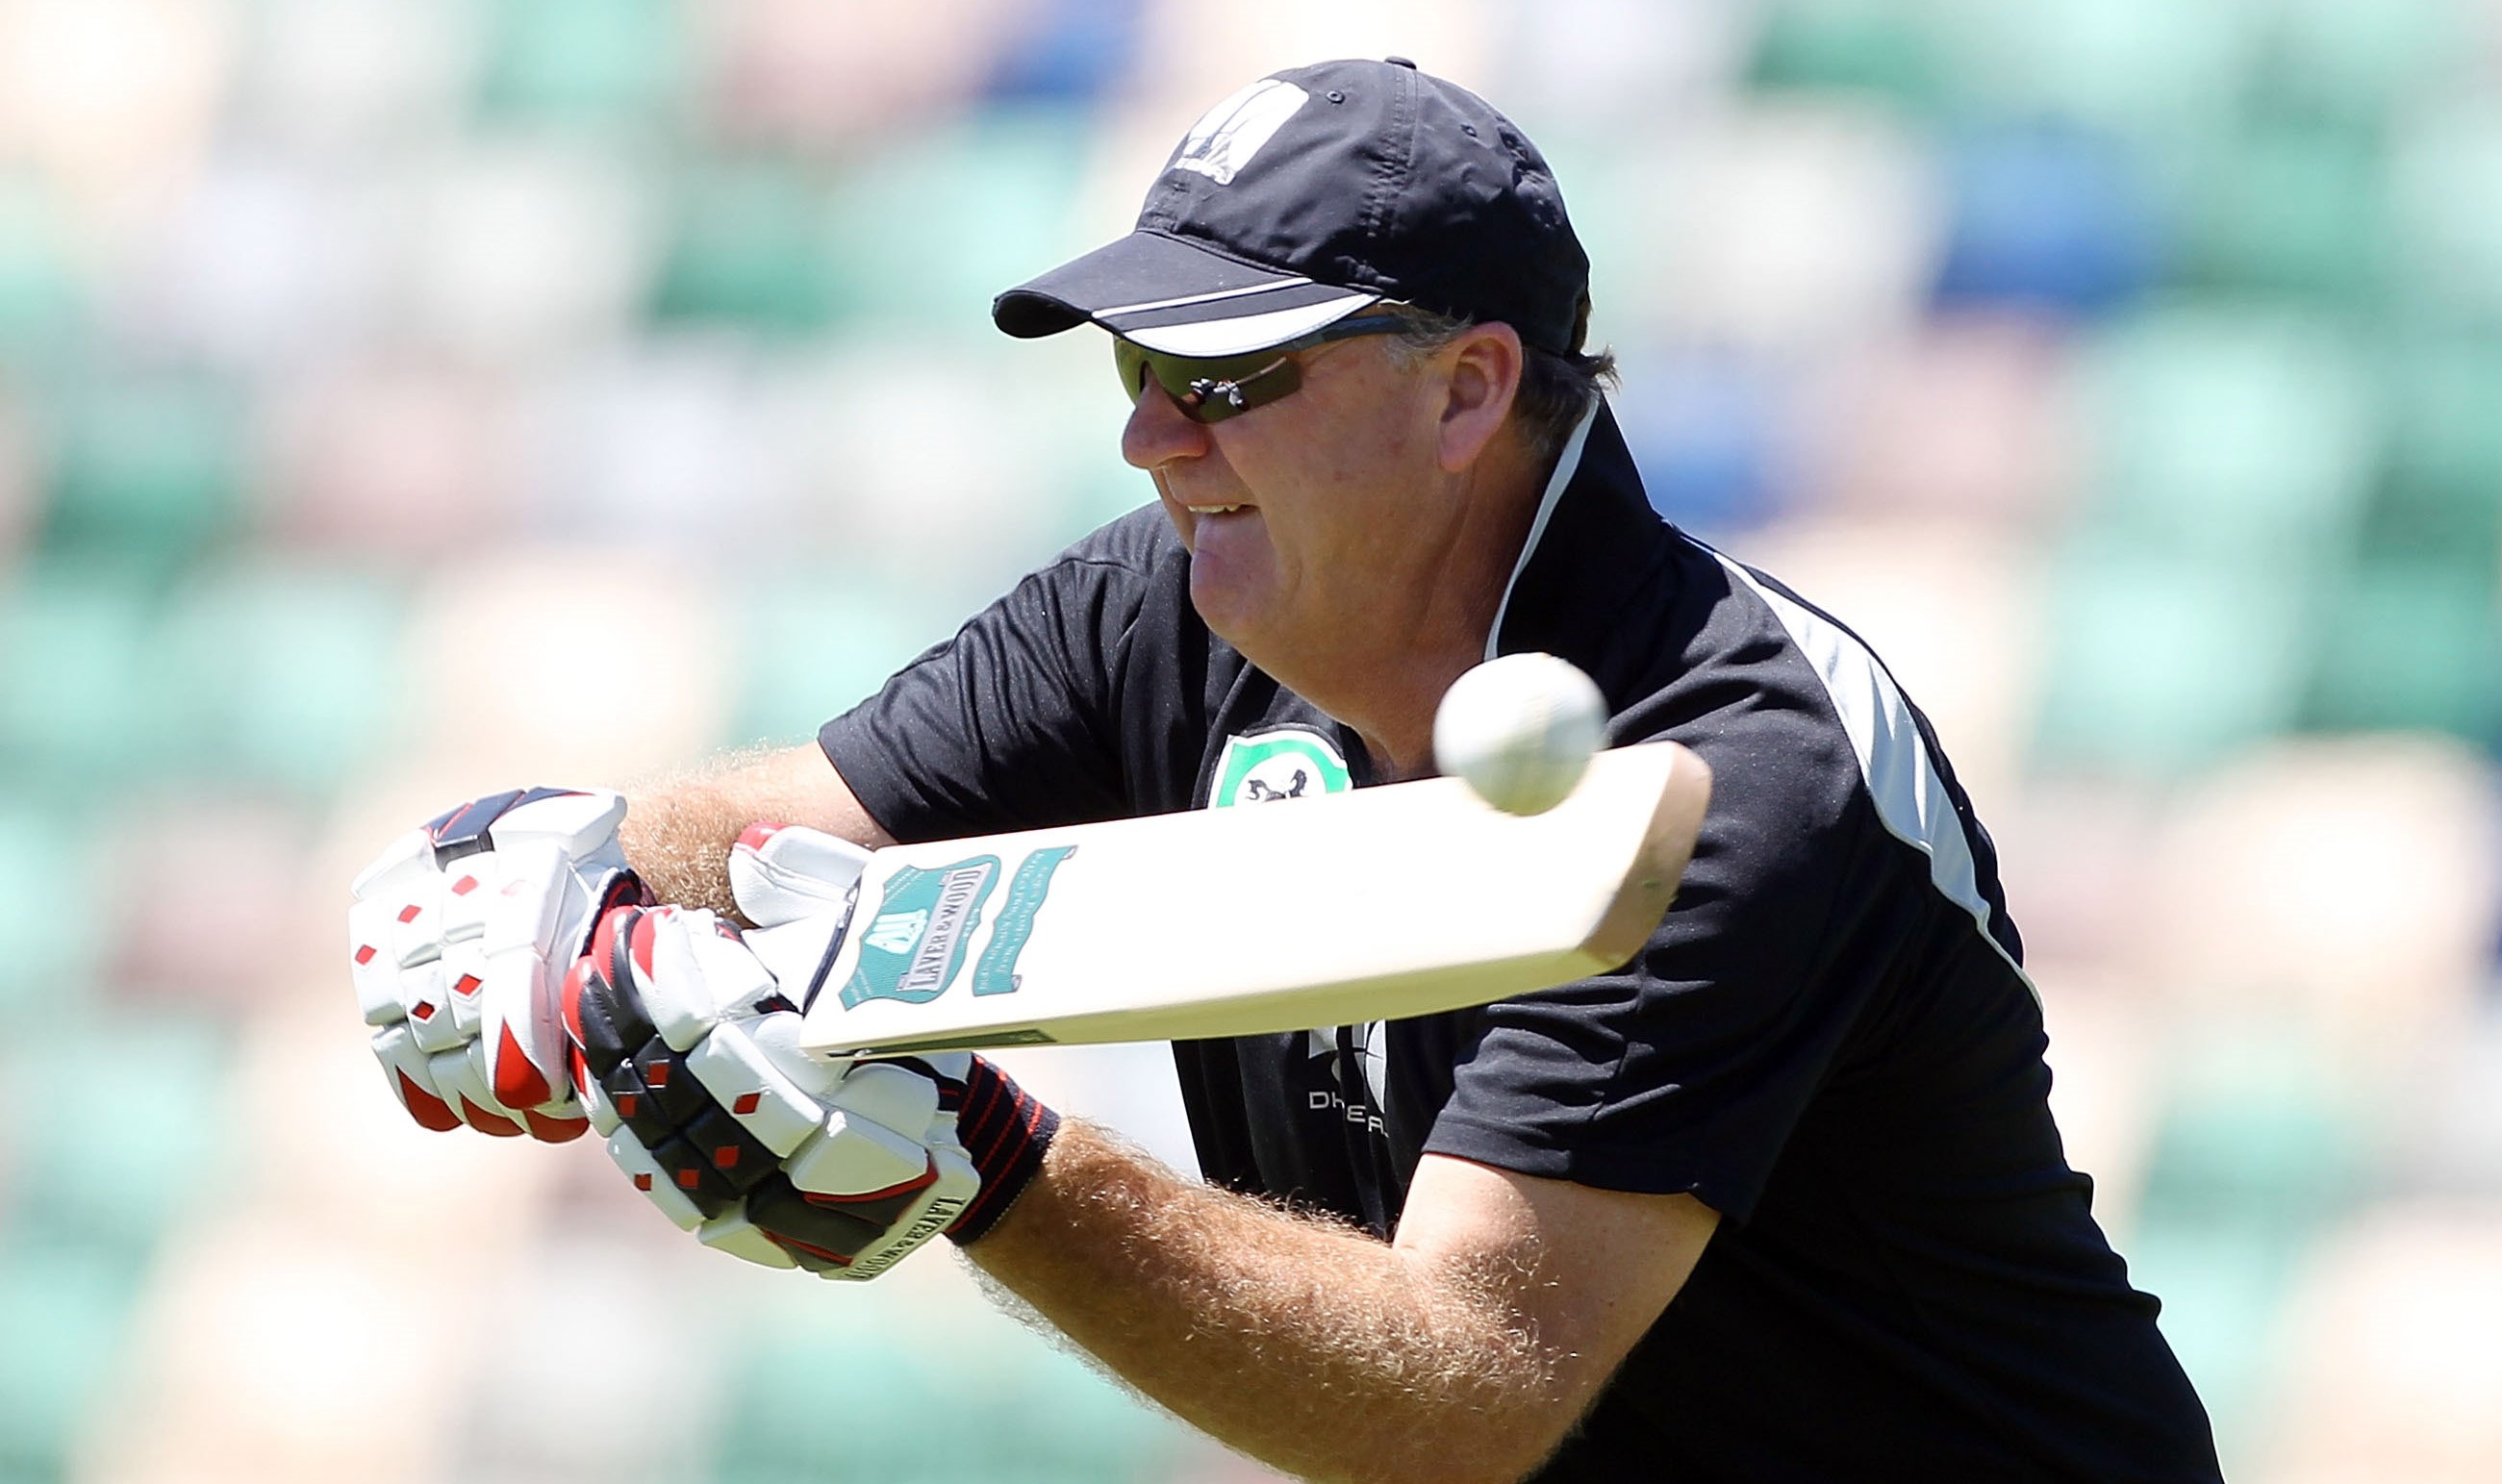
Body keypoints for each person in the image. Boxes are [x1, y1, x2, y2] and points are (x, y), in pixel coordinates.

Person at [347, 57, 2222, 1484]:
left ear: (1467, 390)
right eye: (1135, 369)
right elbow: (759, 849)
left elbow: (1471, 1386)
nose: (1155, 437)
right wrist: (563, 881)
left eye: (1228, 374)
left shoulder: (1729, 765)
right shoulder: (1159, 606)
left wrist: (992, 1172)